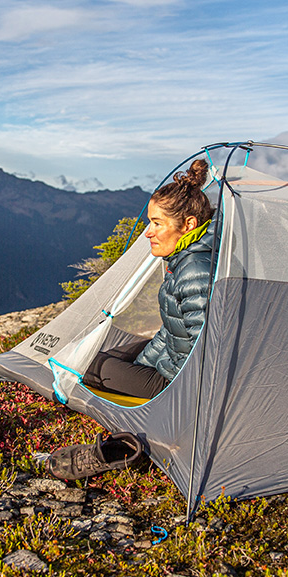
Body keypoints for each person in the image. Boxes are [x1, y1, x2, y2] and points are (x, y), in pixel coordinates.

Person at [83, 159, 216, 399]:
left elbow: (206, 352)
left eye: (157, 223)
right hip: (172, 364)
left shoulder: (195, 271)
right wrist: (141, 365)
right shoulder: (182, 260)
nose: (148, 232)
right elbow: (173, 332)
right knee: (88, 356)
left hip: (180, 386)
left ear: (188, 225)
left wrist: (149, 380)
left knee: (86, 366)